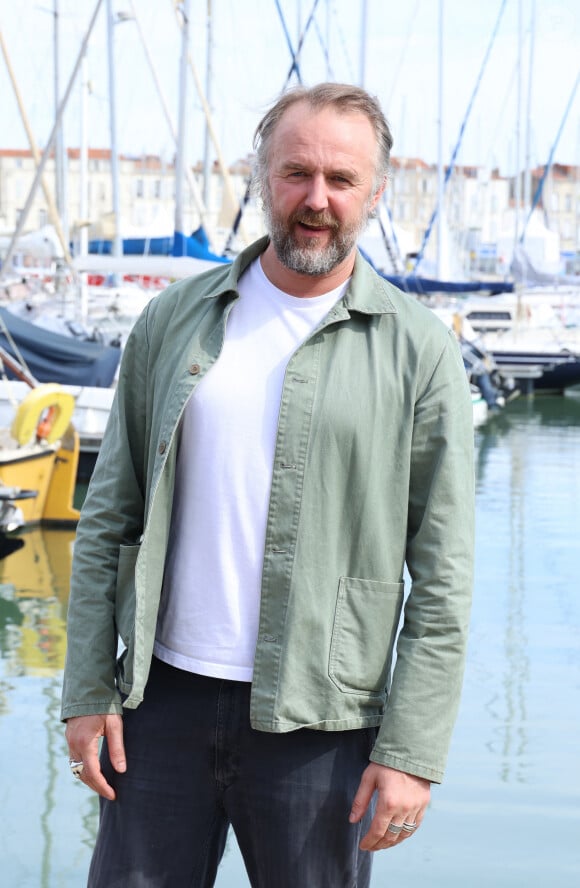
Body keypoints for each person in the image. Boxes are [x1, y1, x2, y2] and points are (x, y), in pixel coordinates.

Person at [62, 82, 474, 888]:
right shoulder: (172, 319)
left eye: (341, 180)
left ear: (375, 194)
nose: (316, 200)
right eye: (296, 174)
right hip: (159, 706)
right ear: (261, 177)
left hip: (323, 723)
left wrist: (411, 755)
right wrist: (86, 689)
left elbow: (444, 578)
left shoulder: (418, 350)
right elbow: (109, 518)